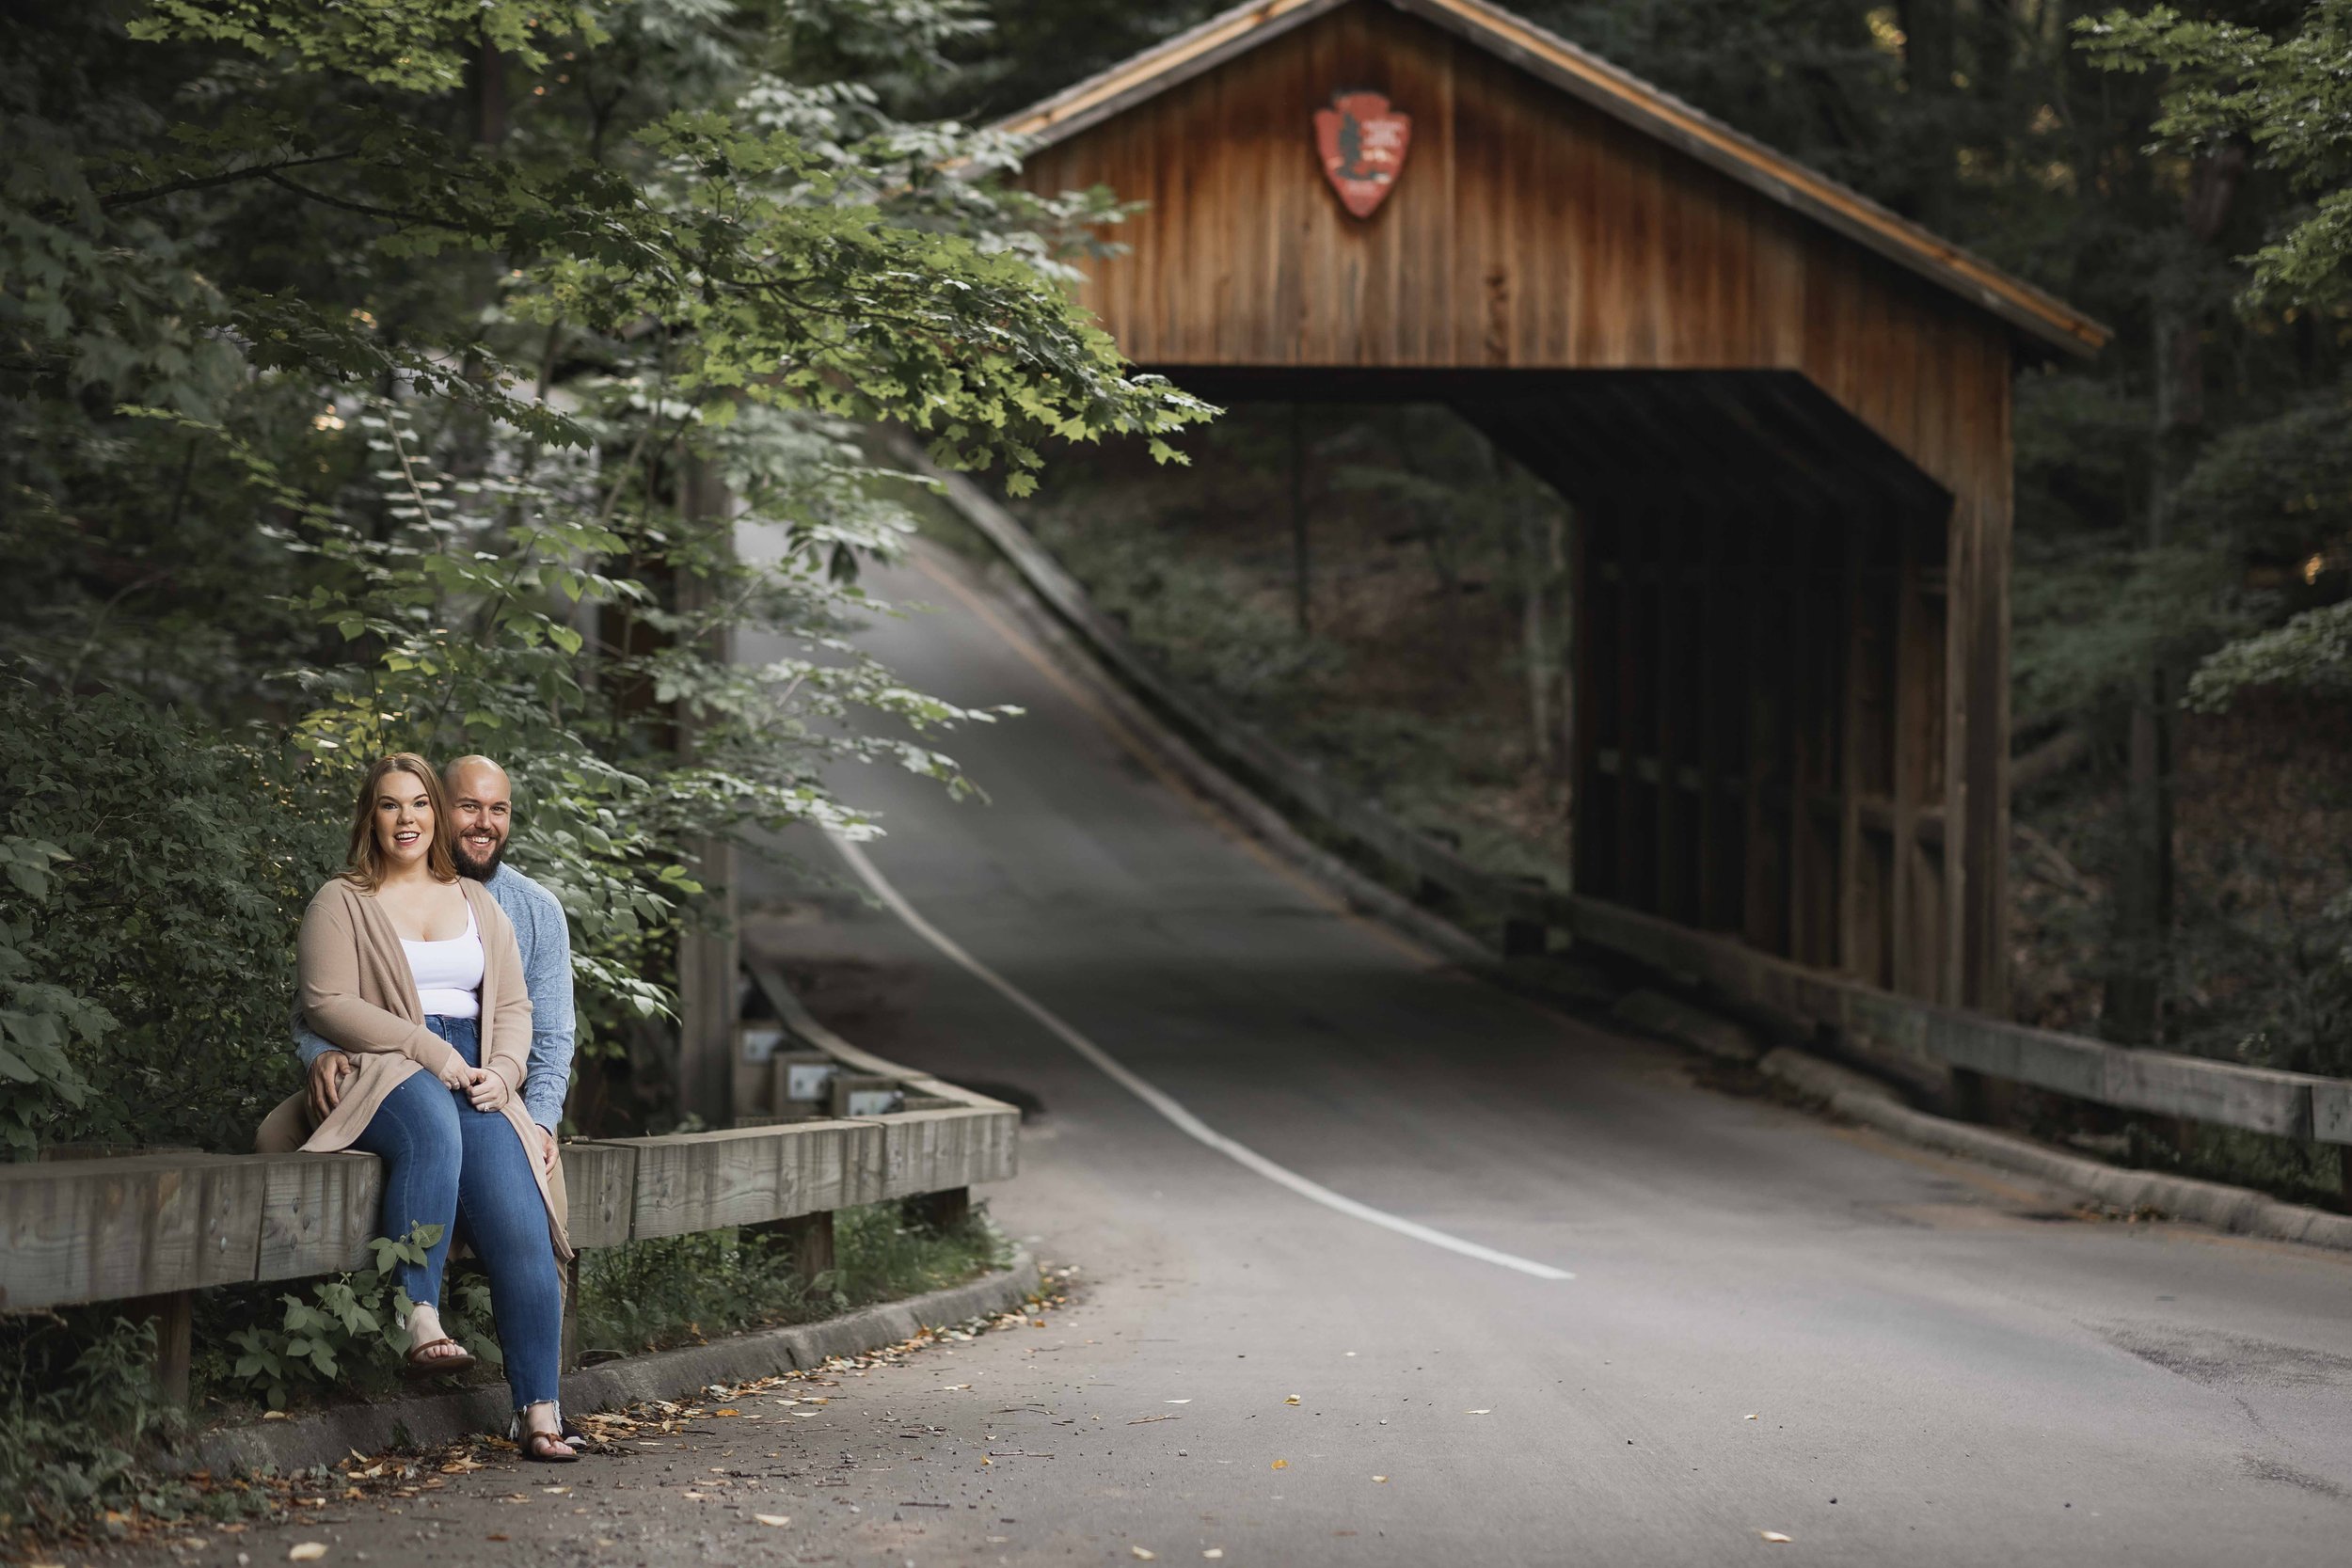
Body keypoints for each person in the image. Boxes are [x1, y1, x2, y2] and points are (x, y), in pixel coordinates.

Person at [260, 752, 579, 1461]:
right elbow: (327, 1003)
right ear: (368, 816)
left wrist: (503, 1071)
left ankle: (540, 1410)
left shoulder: (478, 902)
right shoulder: (340, 899)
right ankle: (418, 1312)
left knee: (520, 1214)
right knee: (431, 1127)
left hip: (474, 1067)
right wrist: (425, 1049)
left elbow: (521, 1008)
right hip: (388, 1065)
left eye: (418, 804)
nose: (406, 818)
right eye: (389, 804)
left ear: (434, 813)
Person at [294, 756, 576, 1178]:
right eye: (468, 806)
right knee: (275, 1143)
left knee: (538, 1202)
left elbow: (548, 1033)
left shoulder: (532, 909)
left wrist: (539, 1122)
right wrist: (322, 1052)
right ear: (439, 809)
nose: (484, 822)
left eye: (498, 809)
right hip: (383, 1066)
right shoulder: (355, 897)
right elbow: (318, 1002)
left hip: (488, 1081)